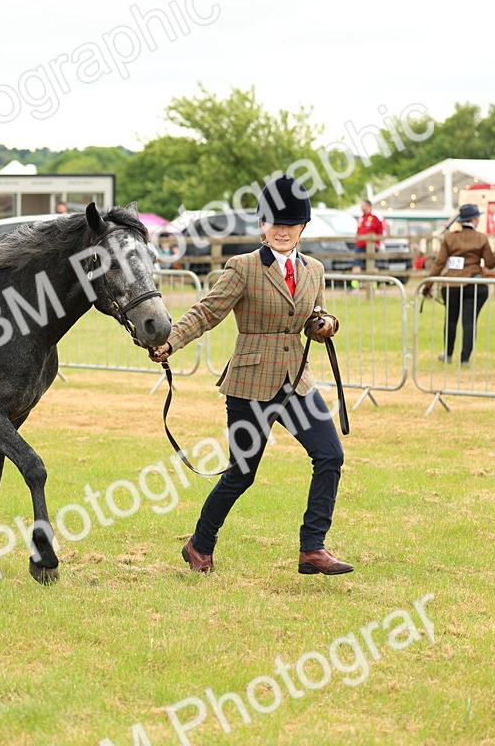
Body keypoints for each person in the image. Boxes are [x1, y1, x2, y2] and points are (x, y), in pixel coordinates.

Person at [150, 175, 350, 577]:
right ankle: (199, 543)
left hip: (297, 381)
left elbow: (313, 316)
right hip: (250, 384)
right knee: (242, 474)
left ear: (302, 228)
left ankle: (313, 547)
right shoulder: (242, 267)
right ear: (262, 226)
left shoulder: (314, 269)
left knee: (330, 455)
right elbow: (207, 311)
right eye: (274, 222)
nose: (281, 230)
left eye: (290, 224)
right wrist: (170, 341)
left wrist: (324, 323)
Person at [422, 204, 495, 365]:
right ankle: (465, 359)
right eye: (477, 217)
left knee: (451, 319)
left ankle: (448, 355)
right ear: (473, 219)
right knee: (469, 321)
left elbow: (439, 263)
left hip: (452, 285)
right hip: (474, 284)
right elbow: (491, 263)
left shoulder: (449, 237)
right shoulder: (481, 238)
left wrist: (428, 284)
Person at [354, 200, 385, 271]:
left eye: (363, 206)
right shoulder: (361, 218)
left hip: (371, 246)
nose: (361, 208)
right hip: (360, 245)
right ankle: (357, 281)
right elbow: (358, 231)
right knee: (357, 265)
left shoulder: (375, 218)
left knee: (373, 265)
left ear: (368, 206)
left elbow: (380, 231)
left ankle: (374, 281)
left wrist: (377, 243)